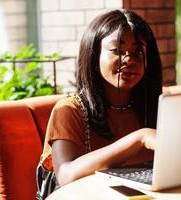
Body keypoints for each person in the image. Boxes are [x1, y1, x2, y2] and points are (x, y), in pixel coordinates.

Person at [43, 9, 162, 189]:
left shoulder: (157, 105)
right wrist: (139, 138)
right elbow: (65, 175)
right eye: (117, 50)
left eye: (137, 52)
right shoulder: (70, 110)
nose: (128, 59)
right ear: (94, 54)